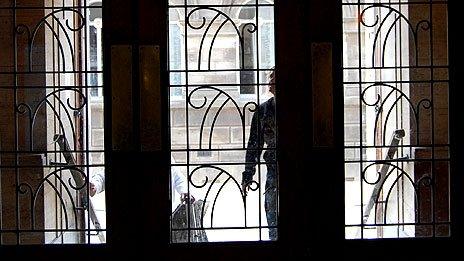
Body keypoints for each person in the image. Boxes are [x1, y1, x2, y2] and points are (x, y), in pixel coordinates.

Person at [241, 68, 277, 241]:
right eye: (270, 78)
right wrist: (248, 173)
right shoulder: (263, 110)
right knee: (271, 206)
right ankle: (275, 240)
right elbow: (254, 145)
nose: (270, 81)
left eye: (273, 78)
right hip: (273, 168)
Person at [89, 156, 193, 212]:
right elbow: (105, 175)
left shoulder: (165, 156)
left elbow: (178, 178)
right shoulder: (125, 156)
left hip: (159, 210)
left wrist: (184, 191)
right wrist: (95, 186)